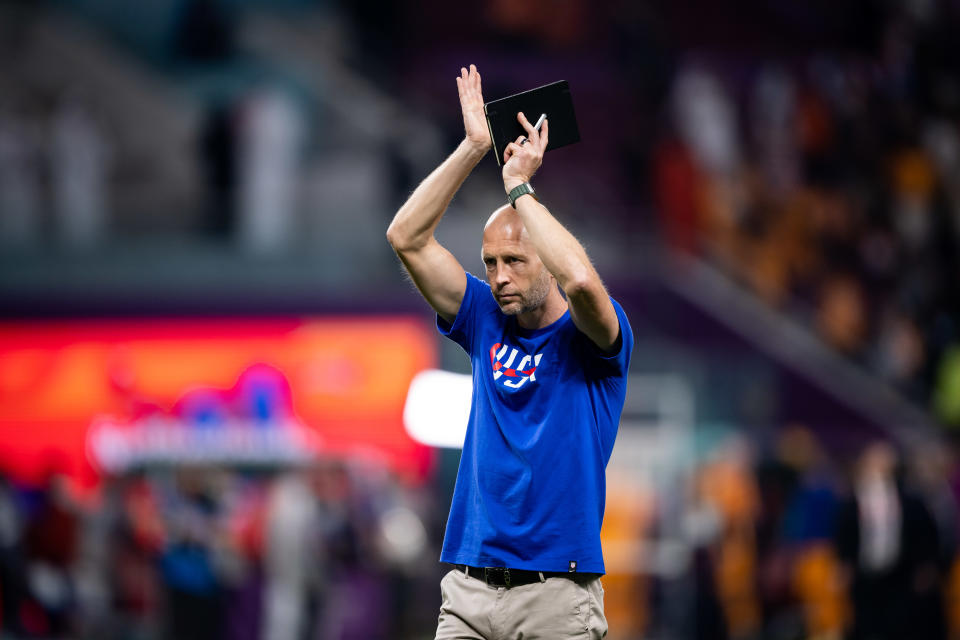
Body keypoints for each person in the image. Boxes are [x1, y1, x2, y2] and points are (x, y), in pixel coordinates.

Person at [386, 64, 633, 639]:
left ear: (544, 255)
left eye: (515, 261)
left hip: (555, 594)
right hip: (469, 589)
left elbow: (581, 284)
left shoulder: (598, 338)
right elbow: (406, 236)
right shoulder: (481, 318)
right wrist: (473, 148)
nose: (498, 277)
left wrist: (520, 191)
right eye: (490, 262)